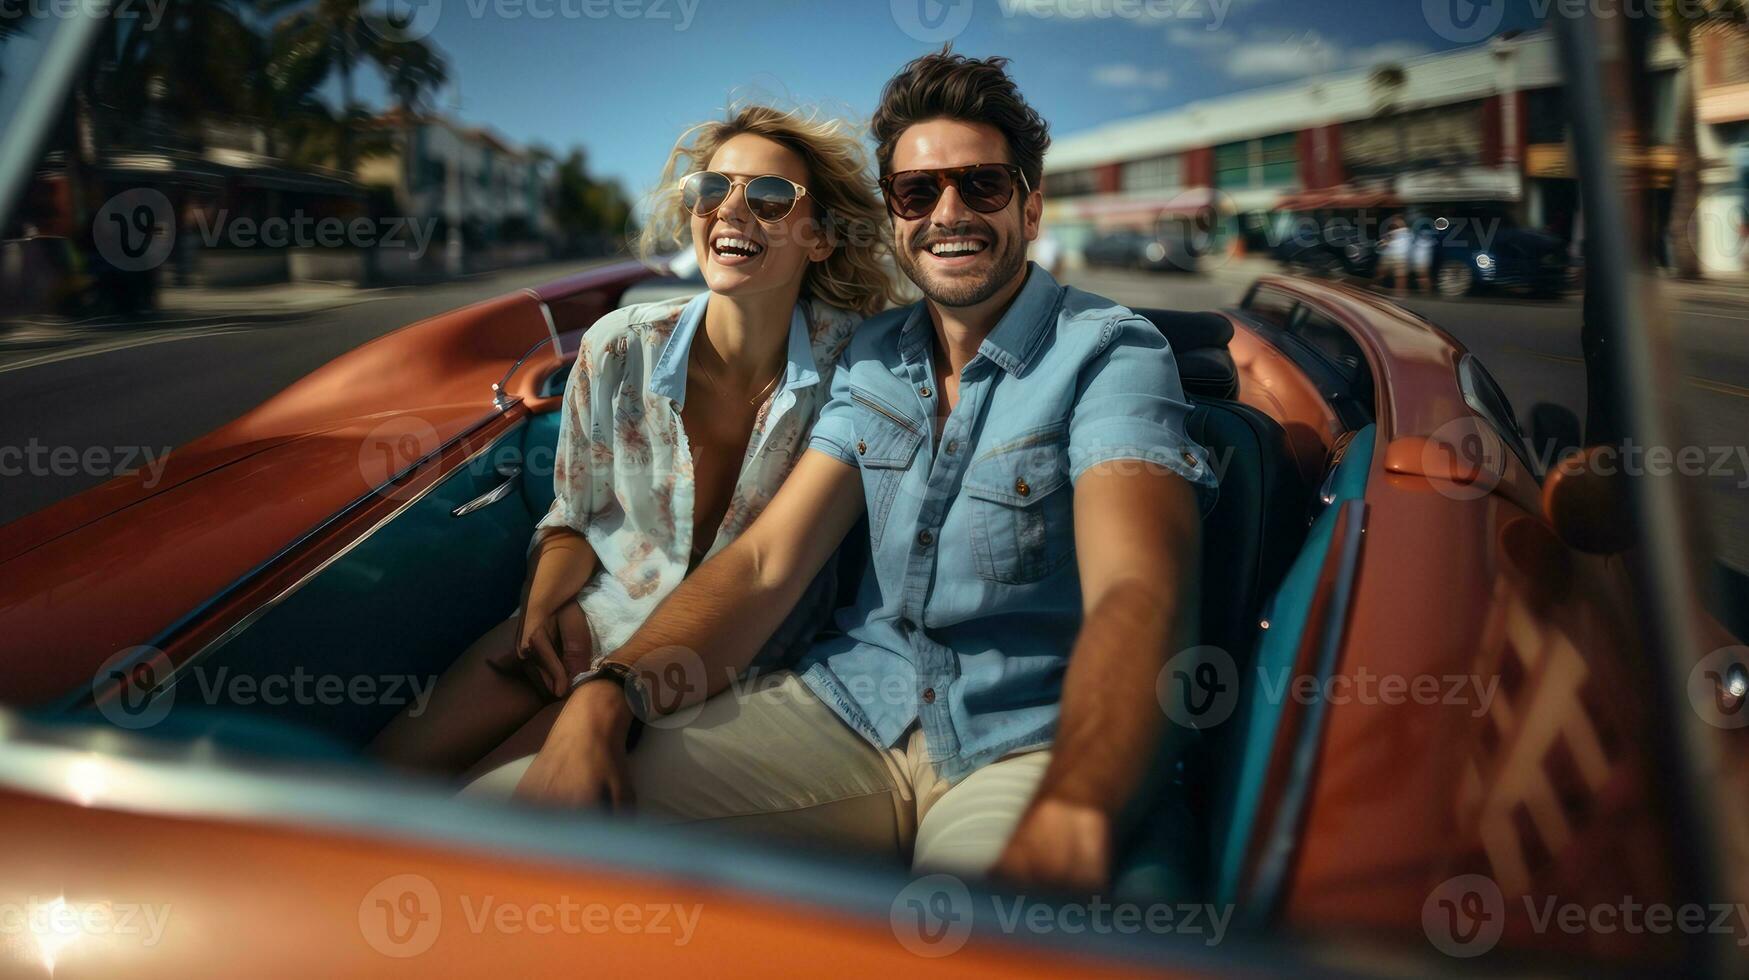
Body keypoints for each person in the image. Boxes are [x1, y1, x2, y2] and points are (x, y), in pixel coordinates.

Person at [476, 49, 1217, 892]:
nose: (949, 212)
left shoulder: (1110, 352)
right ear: (894, 216)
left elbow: (1138, 589)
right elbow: (765, 561)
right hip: (844, 712)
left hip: (1022, 745)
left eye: (982, 186)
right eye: (916, 192)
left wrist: (1077, 804)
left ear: (1031, 205)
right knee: (509, 825)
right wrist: (607, 693)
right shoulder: (873, 360)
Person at [369, 105, 902, 774]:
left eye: (768, 198)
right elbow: (575, 516)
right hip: (591, 616)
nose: (731, 211)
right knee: (384, 776)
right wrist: (541, 606)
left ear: (819, 237)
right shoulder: (619, 346)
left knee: (493, 802)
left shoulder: (857, 364)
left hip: (724, 663)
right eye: (713, 189)